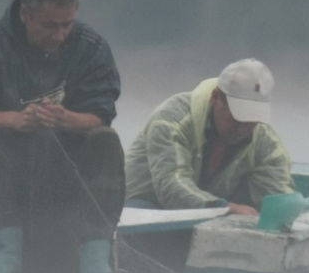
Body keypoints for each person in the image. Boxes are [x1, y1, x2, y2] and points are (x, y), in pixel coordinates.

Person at [0, 0, 126, 273]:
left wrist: (66, 119)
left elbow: (101, 113)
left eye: (66, 25)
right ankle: (6, 251)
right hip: (8, 170)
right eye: (50, 25)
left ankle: (95, 257)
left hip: (68, 170)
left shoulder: (91, 48)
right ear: (25, 15)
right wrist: (14, 120)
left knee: (106, 139)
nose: (59, 35)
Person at [123, 59, 293, 218]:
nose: (243, 128)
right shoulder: (170, 120)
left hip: (209, 212)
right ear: (215, 97)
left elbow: (278, 193)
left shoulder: (264, 139)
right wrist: (224, 208)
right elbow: (171, 186)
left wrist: (288, 210)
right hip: (143, 208)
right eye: (237, 117)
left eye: (252, 120)